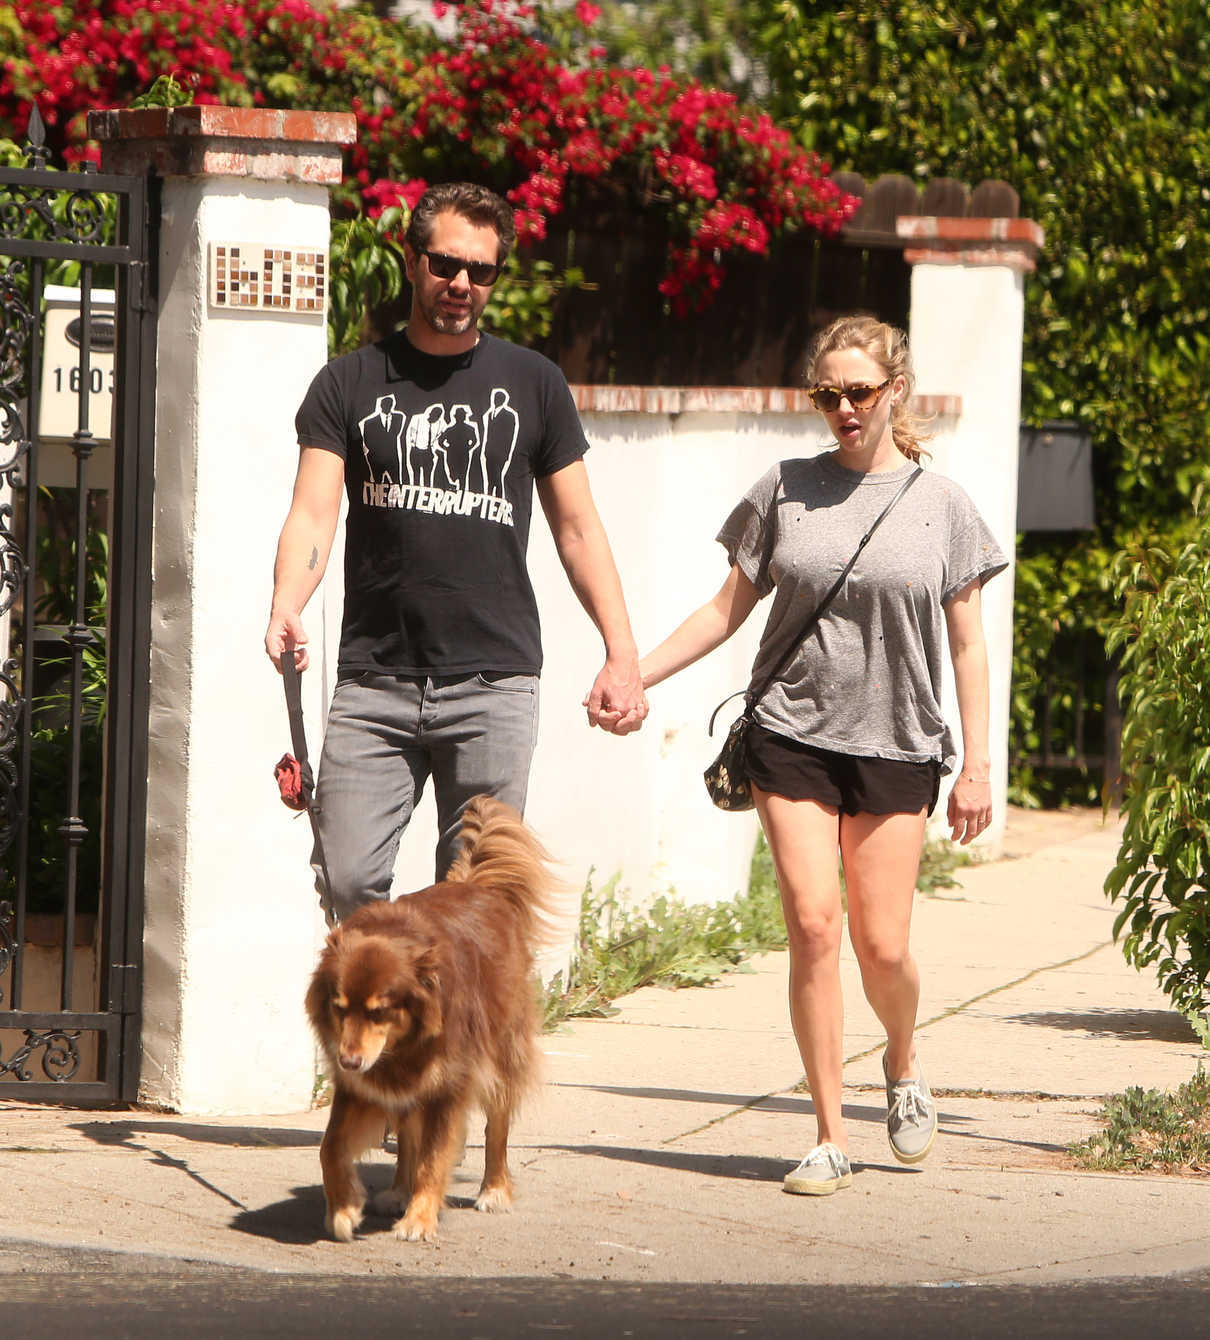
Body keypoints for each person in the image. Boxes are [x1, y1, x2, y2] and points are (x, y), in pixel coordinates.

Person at [639, 315, 1007, 1196]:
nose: (844, 409)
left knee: (883, 947)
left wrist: (979, 763)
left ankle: (904, 1059)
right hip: (791, 734)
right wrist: (635, 672)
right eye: (828, 394)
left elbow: (967, 646)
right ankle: (829, 1136)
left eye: (860, 392)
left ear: (896, 392)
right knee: (813, 926)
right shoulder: (786, 488)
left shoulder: (941, 504)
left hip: (898, 742)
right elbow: (726, 609)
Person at [265, 181, 647, 922]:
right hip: (376, 681)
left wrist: (621, 653)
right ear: (410, 261)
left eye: (482, 271)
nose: (462, 284)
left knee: (475, 903)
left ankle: (449, 1038)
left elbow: (578, 528)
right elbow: (314, 513)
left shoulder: (534, 384)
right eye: (445, 265)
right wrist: (287, 602)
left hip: (494, 682)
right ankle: (395, 1021)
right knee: (346, 881)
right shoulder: (348, 384)